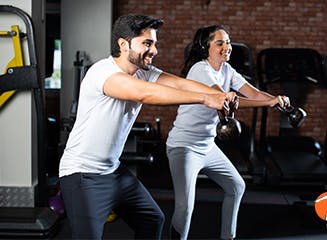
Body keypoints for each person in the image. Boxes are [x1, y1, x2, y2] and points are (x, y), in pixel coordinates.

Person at [58, 15, 232, 239]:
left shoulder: (144, 72)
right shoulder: (103, 73)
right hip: (82, 175)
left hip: (113, 171)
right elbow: (145, 93)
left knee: (152, 218)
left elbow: (179, 83)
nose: (154, 50)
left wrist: (218, 94)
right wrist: (205, 100)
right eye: (147, 44)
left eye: (154, 44)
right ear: (123, 44)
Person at [166, 25, 290, 240]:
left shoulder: (227, 70)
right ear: (206, 47)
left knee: (236, 186)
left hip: (207, 145)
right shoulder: (200, 69)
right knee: (185, 207)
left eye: (228, 42)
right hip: (184, 146)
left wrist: (275, 99)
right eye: (220, 43)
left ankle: (227, 237)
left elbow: (253, 93)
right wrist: (268, 102)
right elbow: (221, 97)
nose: (227, 47)